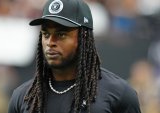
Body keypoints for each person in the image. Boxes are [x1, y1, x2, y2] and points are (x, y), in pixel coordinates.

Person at [8, 0, 141, 113]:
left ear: (83, 37)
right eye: (46, 34)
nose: (50, 42)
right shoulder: (22, 96)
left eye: (61, 34)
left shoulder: (120, 94)